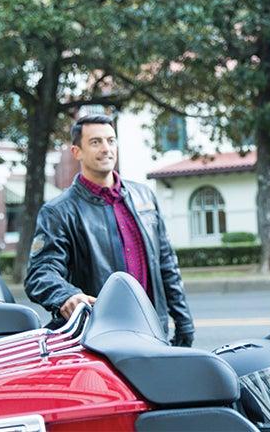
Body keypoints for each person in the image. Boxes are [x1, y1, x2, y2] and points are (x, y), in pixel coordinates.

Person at [24, 114, 195, 346]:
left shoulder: (144, 196)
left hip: (153, 331)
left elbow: (166, 264)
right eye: (96, 142)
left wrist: (183, 321)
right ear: (77, 152)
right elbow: (41, 273)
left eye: (111, 140)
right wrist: (66, 295)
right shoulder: (58, 211)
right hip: (99, 337)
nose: (106, 148)